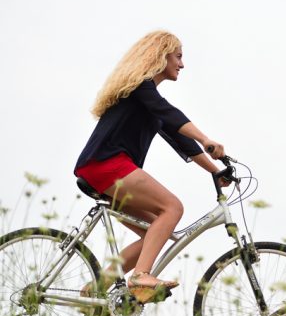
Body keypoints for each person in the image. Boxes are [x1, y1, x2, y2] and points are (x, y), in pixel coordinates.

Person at [74, 30, 228, 299]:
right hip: (106, 165)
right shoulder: (140, 87)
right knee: (172, 207)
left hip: (104, 169)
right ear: (162, 55)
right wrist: (206, 138)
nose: (182, 64)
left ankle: (97, 290)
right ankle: (140, 277)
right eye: (178, 57)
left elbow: (181, 138)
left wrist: (216, 171)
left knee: (158, 229)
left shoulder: (147, 100)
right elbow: (170, 113)